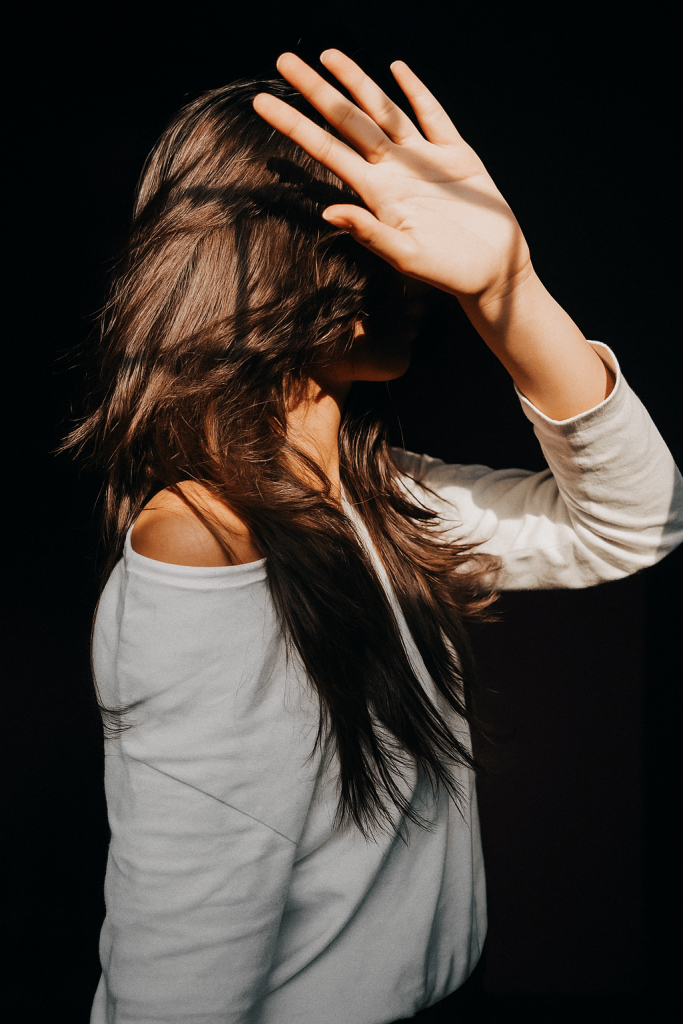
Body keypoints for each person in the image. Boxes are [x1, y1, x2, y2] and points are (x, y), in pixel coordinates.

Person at [66, 49, 682, 1024]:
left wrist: (509, 288)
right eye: (372, 229)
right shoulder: (205, 544)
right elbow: (177, 976)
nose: (411, 265)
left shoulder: (375, 497)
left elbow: (630, 525)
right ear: (283, 262)